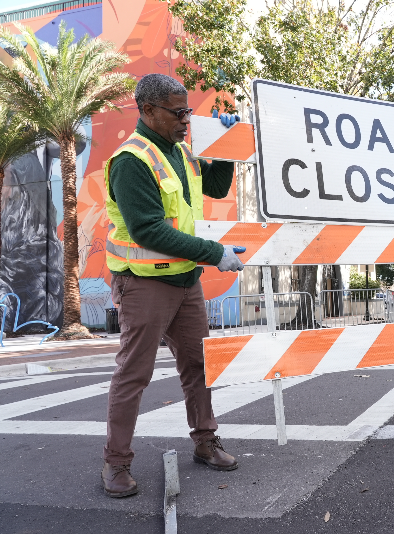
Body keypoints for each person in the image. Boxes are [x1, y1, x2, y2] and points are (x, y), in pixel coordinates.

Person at [101, 74, 246, 498]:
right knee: (134, 373)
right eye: (177, 111)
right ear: (147, 111)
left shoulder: (182, 151)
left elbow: (217, 185)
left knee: (199, 366)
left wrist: (227, 144)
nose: (187, 119)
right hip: (145, 284)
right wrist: (213, 252)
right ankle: (116, 463)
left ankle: (205, 442)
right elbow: (147, 230)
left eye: (188, 111)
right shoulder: (132, 160)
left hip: (185, 281)